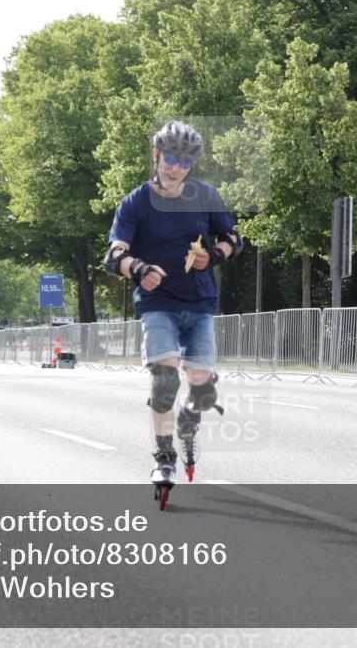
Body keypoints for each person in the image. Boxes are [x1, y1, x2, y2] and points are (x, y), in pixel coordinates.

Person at [103, 120, 242, 500]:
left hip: (199, 302)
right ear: (156, 155)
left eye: (184, 162)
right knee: (165, 380)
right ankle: (164, 457)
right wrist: (138, 268)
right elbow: (114, 254)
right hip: (158, 303)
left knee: (201, 386)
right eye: (169, 158)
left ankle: (188, 418)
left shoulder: (205, 196)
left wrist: (214, 254)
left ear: (191, 165)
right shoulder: (135, 203)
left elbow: (234, 237)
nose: (175, 168)